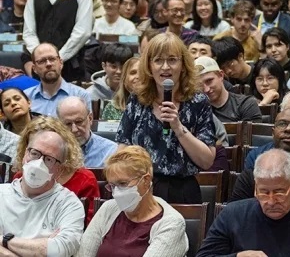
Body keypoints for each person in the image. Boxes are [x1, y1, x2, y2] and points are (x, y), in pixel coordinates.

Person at [115, 33, 216, 204]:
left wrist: (178, 127)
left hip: (183, 191)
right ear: (149, 66)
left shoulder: (198, 101)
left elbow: (207, 161)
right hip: (141, 189)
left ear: (183, 65)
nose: (165, 67)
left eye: (172, 60)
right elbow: (122, 150)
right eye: (158, 60)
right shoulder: (137, 99)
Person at [197, 149, 290, 257]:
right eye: (264, 192)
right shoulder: (231, 215)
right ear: (255, 187)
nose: (271, 202)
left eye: (279, 192)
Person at [75, 145, 189, 257]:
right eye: (112, 186)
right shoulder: (108, 208)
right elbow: (83, 254)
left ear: (145, 180)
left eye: (123, 184)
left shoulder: (172, 224)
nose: (117, 193)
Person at [0, 117, 85, 257]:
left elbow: (61, 248)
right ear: (24, 154)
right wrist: (42, 246)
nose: (39, 163)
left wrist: (4, 241)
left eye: (49, 159)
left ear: (60, 170)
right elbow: (49, 250)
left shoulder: (69, 204)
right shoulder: (1, 193)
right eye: (35, 153)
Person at [195, 55, 261, 122]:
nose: (206, 89)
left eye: (209, 81)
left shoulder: (246, 105)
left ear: (221, 75)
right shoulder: (196, 111)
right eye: (199, 85)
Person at [58, 96, 117, 168]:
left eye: (79, 122)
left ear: (90, 118)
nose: (74, 130)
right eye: (68, 124)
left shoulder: (110, 152)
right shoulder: (53, 150)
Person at [100, 56, 139, 121]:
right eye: (133, 73)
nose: (138, 76)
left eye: (143, 73)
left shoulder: (157, 106)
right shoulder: (112, 108)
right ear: (124, 78)